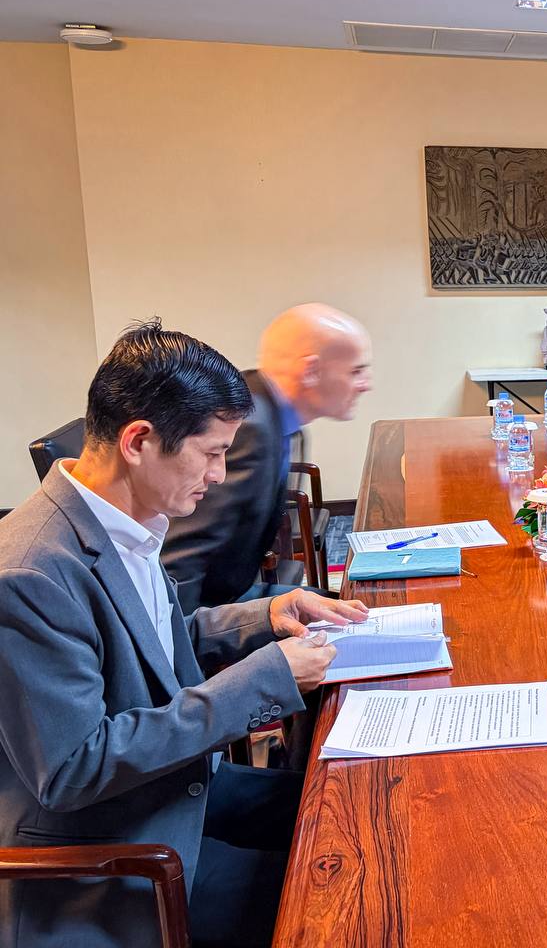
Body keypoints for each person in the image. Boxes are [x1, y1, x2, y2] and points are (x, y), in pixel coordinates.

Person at [0, 321, 367, 948]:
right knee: (345, 899)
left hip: (170, 793)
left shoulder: (121, 519)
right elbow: (73, 768)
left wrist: (264, 618)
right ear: (139, 440)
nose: (222, 474)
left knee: (353, 819)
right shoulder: (30, 572)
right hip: (107, 864)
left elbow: (150, 646)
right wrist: (267, 681)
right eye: (213, 452)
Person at [162, 303, 372, 610]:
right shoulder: (249, 429)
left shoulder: (267, 410)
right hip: (207, 616)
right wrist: (188, 652)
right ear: (312, 371)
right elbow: (181, 563)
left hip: (232, 596)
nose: (366, 384)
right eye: (356, 371)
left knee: (353, 607)